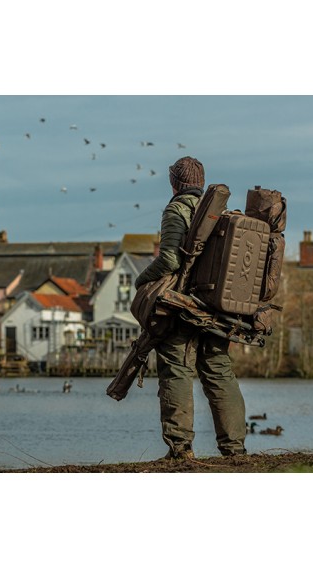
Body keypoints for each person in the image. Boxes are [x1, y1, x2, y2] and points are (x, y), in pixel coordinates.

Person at [134, 156, 247, 460]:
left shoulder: (177, 209)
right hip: (220, 309)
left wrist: (141, 280)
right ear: (201, 181)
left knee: (176, 370)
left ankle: (181, 450)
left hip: (186, 307)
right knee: (219, 373)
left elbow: (170, 260)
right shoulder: (220, 212)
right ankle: (235, 450)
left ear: (174, 183)